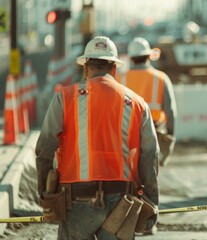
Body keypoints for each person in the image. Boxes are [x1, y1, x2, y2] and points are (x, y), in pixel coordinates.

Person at [35, 36, 160, 239]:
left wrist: (44, 192)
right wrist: (152, 200)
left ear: (86, 68)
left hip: (76, 202)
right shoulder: (137, 103)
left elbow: (45, 147)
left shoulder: (65, 98)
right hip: (122, 203)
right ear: (114, 69)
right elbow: (150, 155)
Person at [122, 37, 177, 166]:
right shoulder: (161, 78)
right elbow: (171, 112)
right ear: (148, 56)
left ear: (130, 58)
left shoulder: (119, 78)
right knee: (150, 173)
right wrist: (169, 137)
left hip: (126, 135)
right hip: (153, 134)